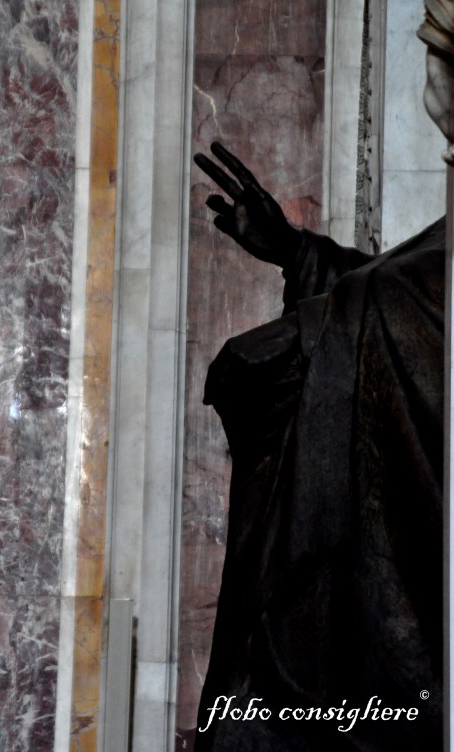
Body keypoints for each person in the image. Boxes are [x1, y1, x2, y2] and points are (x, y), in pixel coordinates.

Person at [191, 1, 454, 747]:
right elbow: (411, 291)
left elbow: (407, 304)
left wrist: (311, 331)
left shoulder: (393, 305)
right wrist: (299, 254)